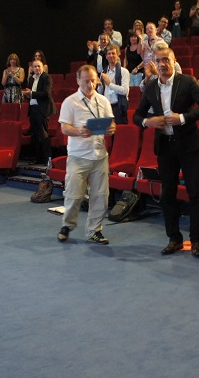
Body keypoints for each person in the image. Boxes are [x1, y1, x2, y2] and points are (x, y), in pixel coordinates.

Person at [133, 47, 199, 257]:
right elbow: (137, 116)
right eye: (158, 61)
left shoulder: (187, 81)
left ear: (173, 60)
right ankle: (174, 238)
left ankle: (195, 241)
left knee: (194, 193)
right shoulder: (151, 86)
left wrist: (183, 118)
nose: (162, 64)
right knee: (167, 194)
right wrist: (148, 121)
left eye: (166, 59)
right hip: (165, 147)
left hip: (188, 145)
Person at [57, 65, 116, 245]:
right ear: (78, 81)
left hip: (99, 155)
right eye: (85, 81)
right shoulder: (70, 101)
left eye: (92, 80)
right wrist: (78, 132)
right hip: (78, 155)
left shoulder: (103, 101)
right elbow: (64, 127)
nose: (90, 84)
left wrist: (111, 129)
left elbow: (111, 124)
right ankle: (67, 225)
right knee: (74, 195)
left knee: (100, 196)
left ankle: (94, 231)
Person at [23, 59, 54, 164]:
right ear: (32, 68)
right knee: (35, 135)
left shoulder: (46, 77)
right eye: (35, 66)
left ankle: (47, 159)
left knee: (43, 134)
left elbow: (46, 94)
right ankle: (38, 158)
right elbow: (31, 94)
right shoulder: (31, 79)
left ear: (42, 67)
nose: (37, 68)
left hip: (42, 109)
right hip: (33, 109)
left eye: (38, 66)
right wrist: (27, 95)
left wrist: (31, 93)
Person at [97, 44, 130, 124]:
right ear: (106, 56)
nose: (111, 55)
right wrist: (100, 85)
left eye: (113, 53)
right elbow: (101, 92)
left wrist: (109, 83)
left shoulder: (124, 71)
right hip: (106, 107)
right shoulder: (103, 72)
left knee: (119, 134)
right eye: (109, 53)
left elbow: (125, 91)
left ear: (118, 55)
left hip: (118, 107)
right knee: (107, 134)